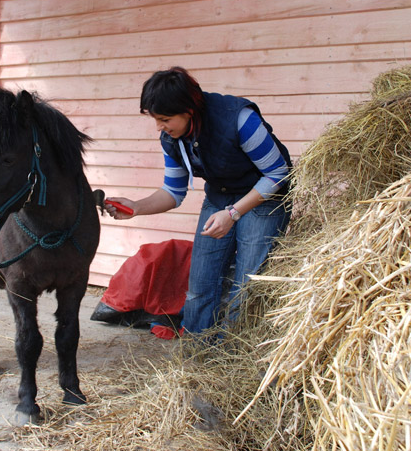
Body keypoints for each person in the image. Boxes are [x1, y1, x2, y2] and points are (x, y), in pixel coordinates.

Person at [106, 67, 292, 335]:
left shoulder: (239, 120)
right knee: (200, 286)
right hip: (220, 196)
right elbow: (172, 191)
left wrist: (234, 213)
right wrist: (136, 207)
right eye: (156, 119)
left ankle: (237, 356)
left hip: (264, 197)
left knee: (247, 286)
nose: (160, 127)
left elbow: (278, 173)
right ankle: (197, 353)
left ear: (189, 110)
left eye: (165, 119)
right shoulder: (172, 138)